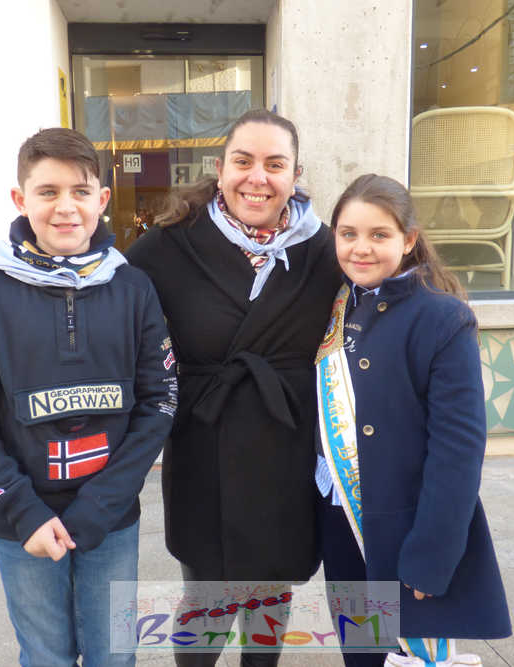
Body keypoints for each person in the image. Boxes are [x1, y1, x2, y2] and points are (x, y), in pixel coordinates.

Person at [0, 127, 177, 667]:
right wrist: (20, 509)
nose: (66, 207)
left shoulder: (134, 288)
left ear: (102, 199)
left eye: (80, 191)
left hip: (111, 519)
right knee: (46, 656)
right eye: (48, 192)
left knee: (115, 654)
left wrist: (104, 503)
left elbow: (159, 401)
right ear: (20, 199)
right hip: (22, 521)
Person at [126, 109, 342, 666]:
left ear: (295, 175)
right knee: (207, 596)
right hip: (205, 445)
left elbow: (388, 283)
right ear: (220, 169)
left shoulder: (326, 249)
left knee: (272, 590)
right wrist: (0, 287)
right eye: (243, 161)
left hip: (287, 444)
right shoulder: (170, 245)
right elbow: (100, 288)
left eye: (276, 164)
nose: (257, 178)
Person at [315, 174, 511, 666]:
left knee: (403, 655)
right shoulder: (334, 305)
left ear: (408, 240)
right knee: (361, 654)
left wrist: (432, 555)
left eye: (379, 234)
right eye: (348, 234)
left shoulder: (442, 318)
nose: (361, 248)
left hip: (404, 532)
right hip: (340, 522)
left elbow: (458, 451)